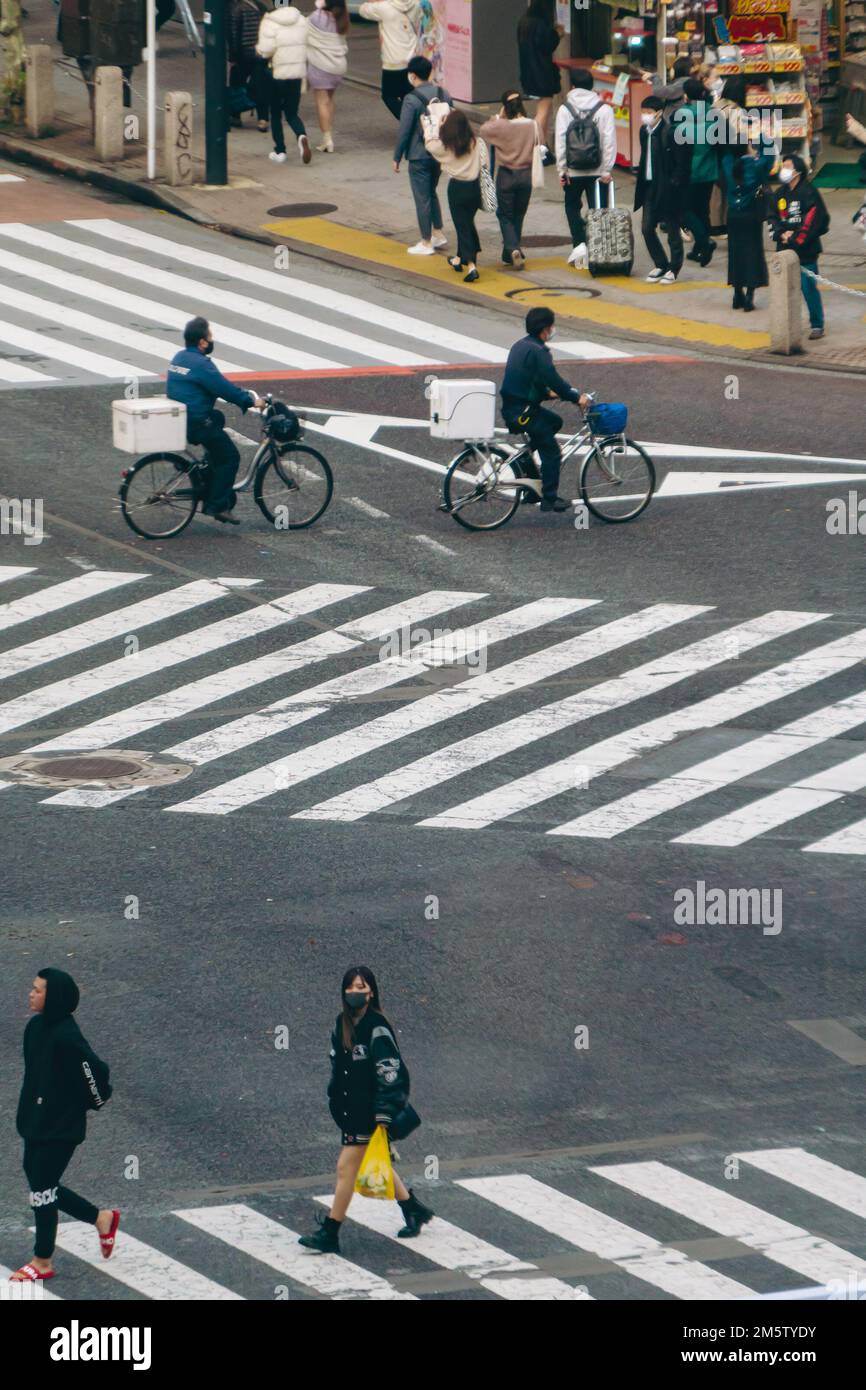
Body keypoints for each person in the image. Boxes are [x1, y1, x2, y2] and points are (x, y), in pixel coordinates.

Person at [298, 966, 432, 1253]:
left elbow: (391, 1072)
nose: (356, 992)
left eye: (362, 987)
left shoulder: (376, 1026)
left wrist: (383, 1116)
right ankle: (413, 1209)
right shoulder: (341, 1024)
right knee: (374, 1162)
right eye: (351, 987)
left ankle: (331, 1232)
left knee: (345, 1168)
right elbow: (339, 1068)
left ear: (372, 991)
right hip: (352, 1112)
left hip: (371, 1114)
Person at [10, 970, 118, 1284]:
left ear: (53, 996)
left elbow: (96, 1074)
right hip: (34, 1120)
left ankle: (42, 1260)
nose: (30, 993)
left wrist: (83, 1104)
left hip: (60, 1127)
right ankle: (102, 1219)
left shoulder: (67, 1036)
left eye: (37, 990)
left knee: (42, 1189)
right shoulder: (35, 1027)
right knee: (42, 1185)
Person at [166, 317, 266, 524]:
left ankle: (207, 474)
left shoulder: (180, 357)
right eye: (210, 336)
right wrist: (250, 401)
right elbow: (224, 389)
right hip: (196, 421)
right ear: (202, 342)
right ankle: (217, 506)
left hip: (179, 418)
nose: (212, 340)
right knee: (230, 457)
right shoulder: (202, 364)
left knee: (218, 418)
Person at [500, 307, 590, 513]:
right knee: (551, 451)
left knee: (554, 422)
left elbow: (531, 378)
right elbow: (553, 379)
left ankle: (528, 469)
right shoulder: (540, 351)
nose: (552, 330)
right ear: (545, 329)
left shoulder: (521, 345)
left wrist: (547, 394)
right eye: (551, 326)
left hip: (515, 407)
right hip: (522, 412)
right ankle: (549, 498)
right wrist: (576, 397)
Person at [554, 68, 616, 270]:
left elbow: (561, 141)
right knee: (599, 211)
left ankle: (579, 246)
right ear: (592, 87)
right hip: (598, 172)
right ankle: (599, 252)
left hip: (572, 171)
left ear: (572, 86)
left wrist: (562, 169)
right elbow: (609, 141)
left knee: (572, 207)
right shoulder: (604, 109)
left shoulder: (565, 110)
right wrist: (607, 170)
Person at [393, 54, 451, 255]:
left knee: (422, 197)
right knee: (431, 192)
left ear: (412, 75)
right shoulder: (444, 94)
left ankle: (426, 241)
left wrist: (397, 156)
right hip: (439, 153)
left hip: (419, 155)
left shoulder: (411, 99)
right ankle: (438, 233)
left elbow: (405, 130)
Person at [769, 153, 829, 341]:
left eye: (788, 166)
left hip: (806, 250)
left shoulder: (809, 192)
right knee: (783, 289)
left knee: (808, 287)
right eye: (783, 166)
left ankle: (817, 324)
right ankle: (787, 323)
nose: (784, 170)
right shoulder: (779, 193)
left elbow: (816, 219)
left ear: (798, 170)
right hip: (784, 250)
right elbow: (772, 217)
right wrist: (781, 234)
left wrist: (795, 238)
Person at [634, 94, 690, 283]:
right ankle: (660, 264)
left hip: (667, 188)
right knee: (646, 228)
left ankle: (674, 268)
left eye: (648, 112)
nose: (645, 116)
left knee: (672, 229)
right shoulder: (644, 131)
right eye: (643, 112)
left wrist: (675, 183)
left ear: (659, 113)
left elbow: (682, 164)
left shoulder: (671, 133)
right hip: (649, 186)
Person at [480, 91, 538, 270]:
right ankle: (511, 252)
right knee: (518, 214)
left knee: (505, 215)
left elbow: (483, 131)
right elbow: (540, 142)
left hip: (506, 175)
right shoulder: (532, 125)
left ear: (505, 107)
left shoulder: (501, 126)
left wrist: (498, 117)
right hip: (526, 175)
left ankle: (512, 248)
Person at [424, 109, 483, 282]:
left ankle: (471, 265)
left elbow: (429, 144)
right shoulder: (475, 142)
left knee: (462, 226)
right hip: (475, 187)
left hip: (457, 188)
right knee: (467, 222)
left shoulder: (446, 146)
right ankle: (458, 259)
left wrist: (435, 127)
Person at [721, 141, 775, 311]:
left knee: (735, 253)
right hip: (751, 215)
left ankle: (737, 294)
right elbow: (770, 157)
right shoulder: (755, 166)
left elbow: (726, 153)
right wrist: (761, 136)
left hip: (733, 215)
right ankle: (750, 296)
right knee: (753, 253)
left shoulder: (727, 163)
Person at [257, 1, 312, 164]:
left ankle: (280, 151)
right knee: (292, 113)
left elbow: (266, 50)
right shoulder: (301, 20)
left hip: (277, 73)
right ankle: (301, 135)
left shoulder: (269, 21)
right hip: (296, 73)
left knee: (275, 113)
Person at [676, 76, 718, 267]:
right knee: (702, 210)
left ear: (686, 95)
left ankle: (704, 242)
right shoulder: (712, 113)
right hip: (708, 171)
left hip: (688, 172)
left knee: (683, 210)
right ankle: (699, 250)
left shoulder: (681, 114)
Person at [359, 0, 421, 120]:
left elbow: (363, 9)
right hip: (413, 58)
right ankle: (413, 124)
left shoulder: (384, 8)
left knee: (388, 96)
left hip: (393, 61)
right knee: (407, 95)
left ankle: (411, 122)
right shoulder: (416, 4)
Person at [517, 0, 562, 163]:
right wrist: (558, 34)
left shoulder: (524, 21)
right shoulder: (541, 24)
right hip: (542, 75)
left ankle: (541, 148)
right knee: (543, 112)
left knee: (543, 111)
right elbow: (546, 46)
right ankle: (535, 148)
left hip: (528, 73)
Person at [306, 0, 349, 153]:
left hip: (320, 65)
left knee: (322, 103)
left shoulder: (317, 17)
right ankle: (328, 134)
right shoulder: (343, 19)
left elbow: (304, 30)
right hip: (338, 66)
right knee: (329, 101)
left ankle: (327, 139)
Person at [229, 0, 271, 132]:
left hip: (243, 54)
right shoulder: (262, 7)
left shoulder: (237, 9)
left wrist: (233, 57)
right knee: (261, 85)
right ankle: (262, 119)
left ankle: (235, 115)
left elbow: (234, 35)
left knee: (236, 83)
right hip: (260, 53)